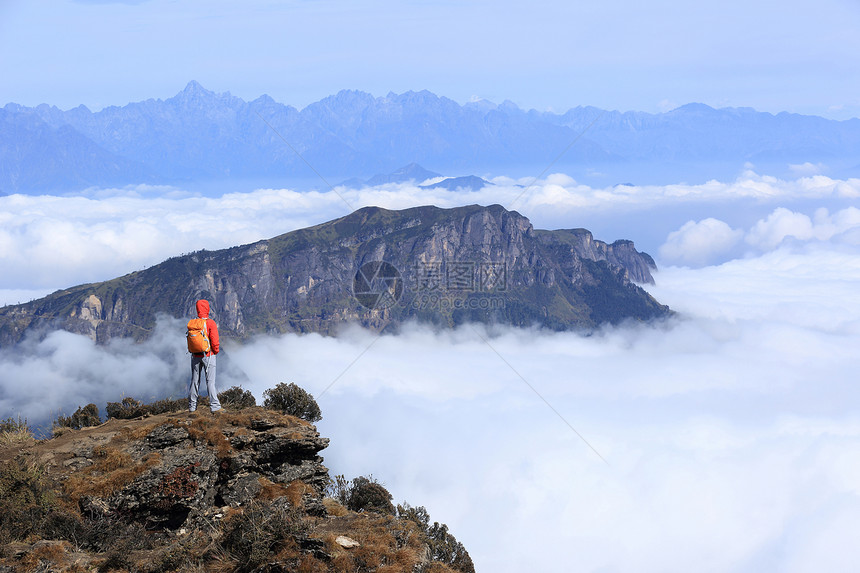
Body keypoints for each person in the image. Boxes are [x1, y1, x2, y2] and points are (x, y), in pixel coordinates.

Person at [188, 299, 222, 413]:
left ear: (197, 309)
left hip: (195, 356)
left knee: (194, 381)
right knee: (210, 382)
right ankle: (215, 407)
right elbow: (215, 341)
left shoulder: (193, 323)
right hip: (209, 355)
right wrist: (215, 351)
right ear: (207, 309)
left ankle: (192, 407)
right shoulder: (210, 323)